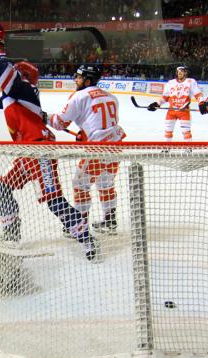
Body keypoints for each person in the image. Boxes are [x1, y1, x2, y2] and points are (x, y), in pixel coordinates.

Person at [0, 23, 97, 261]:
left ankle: (86, 238)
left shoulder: (23, 88)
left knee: (53, 201)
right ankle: (12, 233)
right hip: (28, 151)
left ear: (23, 76)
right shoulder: (23, 94)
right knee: (3, 188)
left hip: (40, 151)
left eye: (17, 70)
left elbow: (1, 69)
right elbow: (5, 101)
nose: (13, 72)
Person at [47, 64, 126, 234]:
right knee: (106, 183)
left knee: (80, 185)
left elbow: (59, 123)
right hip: (116, 145)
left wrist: (44, 117)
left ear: (88, 80)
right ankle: (110, 221)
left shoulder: (79, 96)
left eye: (79, 77)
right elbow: (102, 122)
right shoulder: (111, 96)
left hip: (97, 149)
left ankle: (80, 226)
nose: (76, 80)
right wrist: (84, 133)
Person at [147, 66, 203, 141]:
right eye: (178, 71)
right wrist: (157, 104)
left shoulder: (191, 82)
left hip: (184, 111)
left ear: (185, 73)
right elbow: (165, 97)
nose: (179, 72)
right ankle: (166, 149)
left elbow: (198, 94)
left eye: (181, 71)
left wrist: (202, 103)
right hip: (171, 111)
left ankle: (188, 150)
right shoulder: (171, 83)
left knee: (186, 132)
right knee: (168, 131)